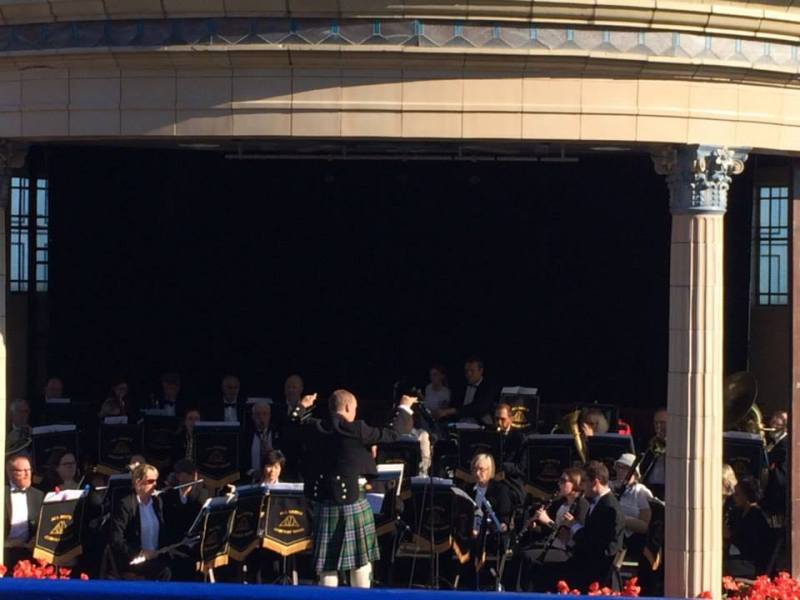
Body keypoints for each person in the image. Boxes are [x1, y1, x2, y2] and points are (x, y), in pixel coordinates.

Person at [291, 389, 411, 588]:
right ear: (347, 407)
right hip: (353, 500)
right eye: (355, 409)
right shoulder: (357, 429)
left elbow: (294, 422)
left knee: (327, 564)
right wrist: (404, 407)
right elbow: (392, 433)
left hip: (323, 501)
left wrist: (302, 406)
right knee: (360, 561)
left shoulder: (316, 427)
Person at [536, 460, 625, 592]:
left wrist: (574, 526)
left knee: (543, 571)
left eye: (584, 481)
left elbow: (599, 545)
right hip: (585, 561)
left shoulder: (608, 508)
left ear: (595, 482)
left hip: (595, 570)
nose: (582, 486)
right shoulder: (599, 502)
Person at [519, 467, 590, 590]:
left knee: (528, 557)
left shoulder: (582, 504)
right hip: (553, 545)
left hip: (568, 551)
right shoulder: (561, 503)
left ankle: (528, 593)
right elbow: (550, 531)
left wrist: (547, 521)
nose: (559, 484)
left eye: (563, 481)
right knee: (521, 552)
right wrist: (535, 527)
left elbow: (566, 535)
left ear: (575, 484)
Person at [109, 462, 171, 580]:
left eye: (156, 481)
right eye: (150, 481)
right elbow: (116, 539)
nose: (155, 484)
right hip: (134, 559)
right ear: (138, 483)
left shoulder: (157, 502)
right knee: (164, 571)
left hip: (156, 556)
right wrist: (140, 553)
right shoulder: (126, 504)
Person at [161, 459, 208, 581]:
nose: (195, 477)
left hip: (193, 543)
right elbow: (167, 524)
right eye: (190, 474)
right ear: (180, 476)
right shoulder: (168, 496)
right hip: (175, 543)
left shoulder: (199, 496)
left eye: (195, 474)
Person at [724, 477, 773, 579]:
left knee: (722, 566)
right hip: (742, 558)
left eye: (737, 494)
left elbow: (751, 546)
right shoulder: (740, 513)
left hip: (754, 563)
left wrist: (731, 536)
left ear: (746, 496)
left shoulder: (756, 516)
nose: (734, 497)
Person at [4, 454, 43, 568]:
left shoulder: (38, 495)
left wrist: (35, 540)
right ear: (9, 472)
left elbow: (43, 525)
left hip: (28, 553)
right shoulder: (3, 493)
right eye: (22, 471)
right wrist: (6, 543)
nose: (27, 474)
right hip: (5, 551)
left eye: (29, 470)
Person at [613, 453, 653, 558]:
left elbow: (644, 526)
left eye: (625, 468)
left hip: (630, 541)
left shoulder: (641, 492)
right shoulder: (609, 486)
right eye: (619, 467)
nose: (620, 471)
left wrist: (619, 519)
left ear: (634, 473)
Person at [439, 356, 498, 425]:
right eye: (466, 371)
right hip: (459, 424)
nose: (468, 374)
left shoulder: (488, 387)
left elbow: (478, 407)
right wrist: (446, 410)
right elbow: (455, 404)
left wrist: (453, 410)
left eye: (472, 371)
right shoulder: (461, 385)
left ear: (481, 371)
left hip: (480, 425)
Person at [762, 409, 788, 523]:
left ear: (785, 425)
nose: (773, 420)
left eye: (779, 418)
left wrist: (770, 469)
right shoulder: (773, 442)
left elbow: (782, 476)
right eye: (774, 417)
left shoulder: (785, 444)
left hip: (777, 497)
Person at [641, 408, 667, 499]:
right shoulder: (650, 441)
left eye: (662, 423)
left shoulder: (677, 445)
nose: (658, 426)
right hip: (650, 487)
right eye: (656, 423)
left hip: (667, 488)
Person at [244, 400, 273, 480]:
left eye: (265, 414)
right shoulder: (246, 436)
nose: (261, 418)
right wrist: (252, 472)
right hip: (250, 481)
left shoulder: (278, 434)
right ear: (253, 417)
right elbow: (242, 461)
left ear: (270, 416)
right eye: (257, 414)